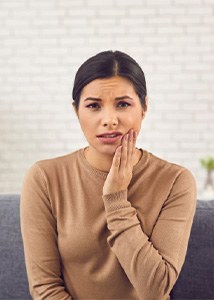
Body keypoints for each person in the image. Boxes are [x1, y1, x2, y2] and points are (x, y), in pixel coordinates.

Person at [20, 50, 197, 300]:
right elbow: (45, 289)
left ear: (144, 107)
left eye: (123, 104)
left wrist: (116, 199)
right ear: (76, 111)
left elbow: (155, 289)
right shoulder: (44, 178)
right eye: (93, 106)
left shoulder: (175, 181)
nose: (109, 120)